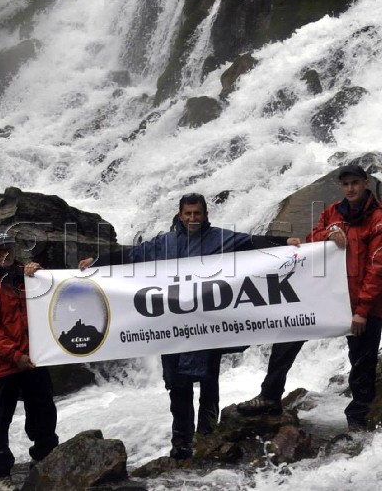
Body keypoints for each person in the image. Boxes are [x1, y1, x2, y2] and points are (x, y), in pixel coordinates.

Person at [79, 193, 293, 460]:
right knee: (177, 388)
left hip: (208, 326)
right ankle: (181, 445)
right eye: (188, 214)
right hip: (173, 327)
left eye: (197, 214)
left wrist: (287, 243)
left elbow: (252, 243)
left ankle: (207, 435)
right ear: (180, 215)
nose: (193, 218)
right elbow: (131, 255)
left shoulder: (219, 238)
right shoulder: (164, 243)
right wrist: (97, 262)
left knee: (209, 383)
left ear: (205, 215)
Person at [236, 164, 382, 430]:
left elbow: (378, 270)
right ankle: (270, 397)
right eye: (345, 184)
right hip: (325, 297)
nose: (350, 189)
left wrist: (362, 311)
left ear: (366, 183)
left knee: (362, 365)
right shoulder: (333, 211)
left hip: (361, 305)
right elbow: (310, 242)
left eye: (355, 183)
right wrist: (328, 234)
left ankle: (359, 423)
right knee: (287, 338)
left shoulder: (380, 221)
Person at [0, 230, 59, 491]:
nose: (5, 253)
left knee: (43, 409)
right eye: (0, 249)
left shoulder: (26, 276)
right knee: (0, 419)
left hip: (33, 357)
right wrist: (15, 356)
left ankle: (44, 457)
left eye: (9, 247)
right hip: (3, 363)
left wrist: (40, 273)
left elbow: (51, 296)